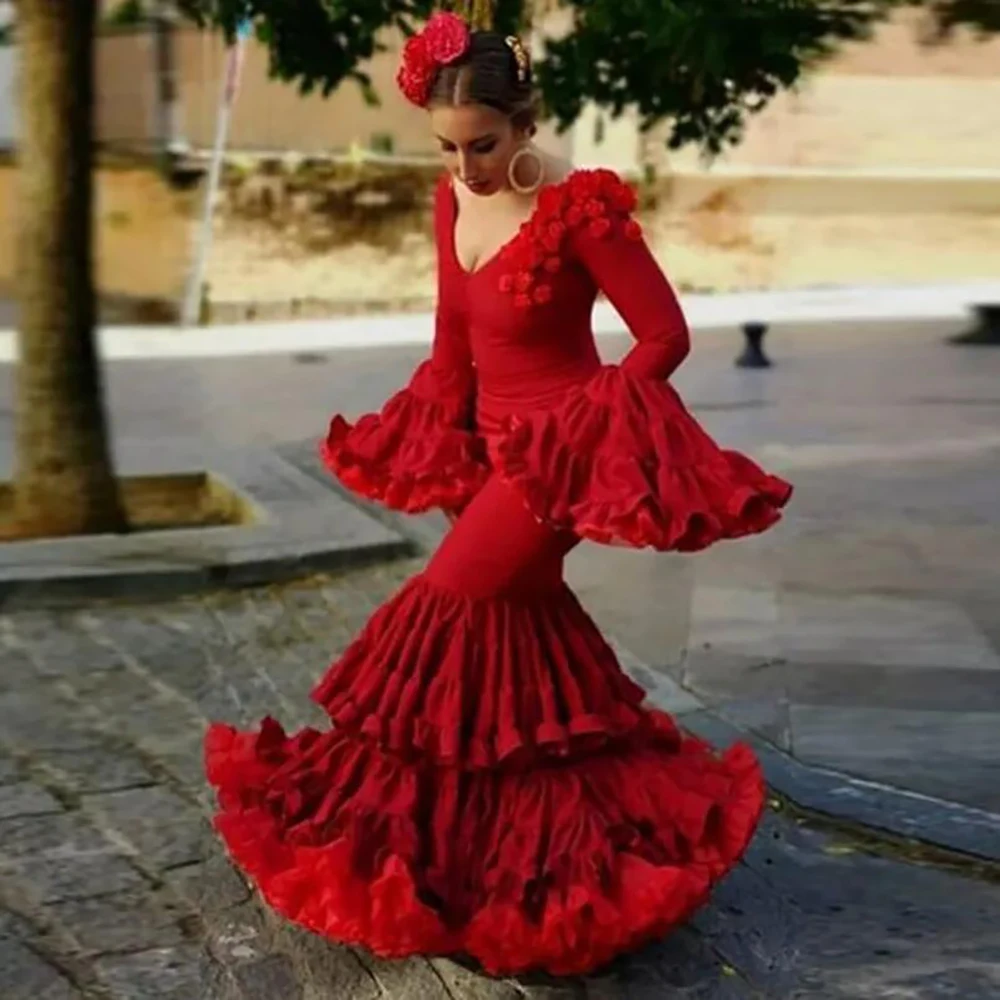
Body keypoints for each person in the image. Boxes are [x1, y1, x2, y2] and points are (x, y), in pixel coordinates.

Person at [204, 5, 792, 979]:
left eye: (482, 145)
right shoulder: (450, 200)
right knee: (514, 646)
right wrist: (439, 433)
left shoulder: (580, 206)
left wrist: (587, 428)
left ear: (524, 123)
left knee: (445, 611)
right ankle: (533, 849)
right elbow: (452, 336)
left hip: (554, 458)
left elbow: (663, 337)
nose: (466, 169)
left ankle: (452, 852)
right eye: (446, 149)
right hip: (476, 451)